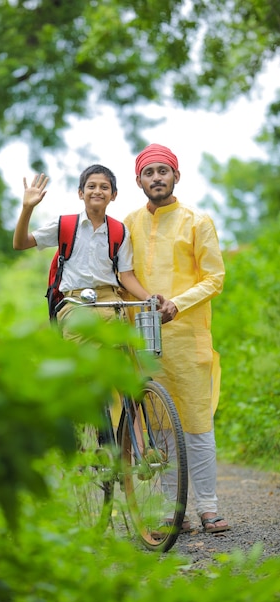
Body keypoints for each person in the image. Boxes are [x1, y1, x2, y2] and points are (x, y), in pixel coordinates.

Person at [124, 143, 230, 534]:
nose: (157, 178)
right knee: (161, 423)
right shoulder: (129, 223)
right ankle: (174, 510)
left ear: (176, 176)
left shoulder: (196, 222)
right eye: (149, 173)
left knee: (197, 423)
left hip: (188, 338)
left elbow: (214, 278)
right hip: (145, 338)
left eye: (163, 171)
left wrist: (177, 305)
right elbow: (122, 273)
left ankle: (208, 507)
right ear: (139, 181)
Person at [13, 164, 154, 337]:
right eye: (91, 186)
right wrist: (28, 208)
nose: (97, 191)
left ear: (114, 195)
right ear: (81, 193)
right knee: (81, 358)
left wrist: (148, 298)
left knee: (115, 359)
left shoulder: (119, 231)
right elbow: (20, 243)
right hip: (75, 305)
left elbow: (127, 275)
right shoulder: (64, 225)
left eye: (104, 187)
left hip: (110, 305)